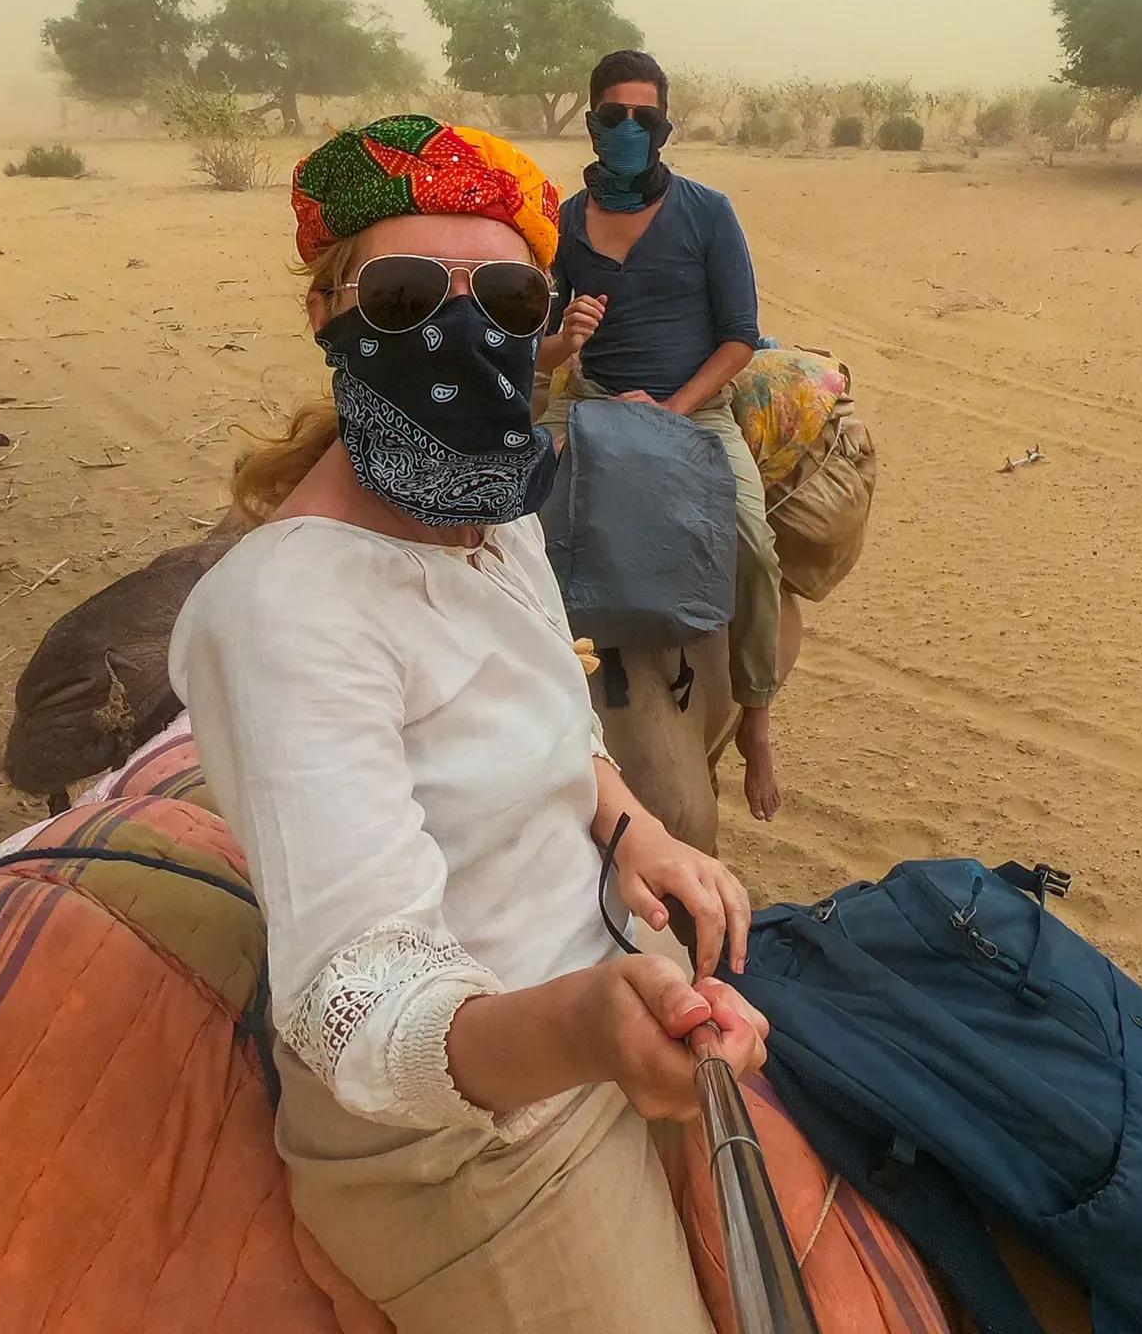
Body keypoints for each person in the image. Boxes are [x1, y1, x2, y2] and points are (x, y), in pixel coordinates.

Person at [167, 114, 767, 1334]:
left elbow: (554, 722)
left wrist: (636, 830)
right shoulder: (289, 608)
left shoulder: (493, 520)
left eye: (504, 295)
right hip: (469, 1142)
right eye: (399, 295)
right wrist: (590, 1025)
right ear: (329, 313)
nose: (461, 328)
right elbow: (363, 1006)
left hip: (609, 981)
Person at [538, 50, 785, 822]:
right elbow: (538, 348)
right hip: (593, 399)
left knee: (750, 539)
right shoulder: (565, 225)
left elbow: (741, 338)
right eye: (614, 117)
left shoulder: (708, 213)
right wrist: (565, 339)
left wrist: (671, 411)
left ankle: (758, 714)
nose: (629, 130)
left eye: (645, 119)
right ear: (592, 121)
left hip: (693, 408)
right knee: (503, 510)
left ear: (665, 126)